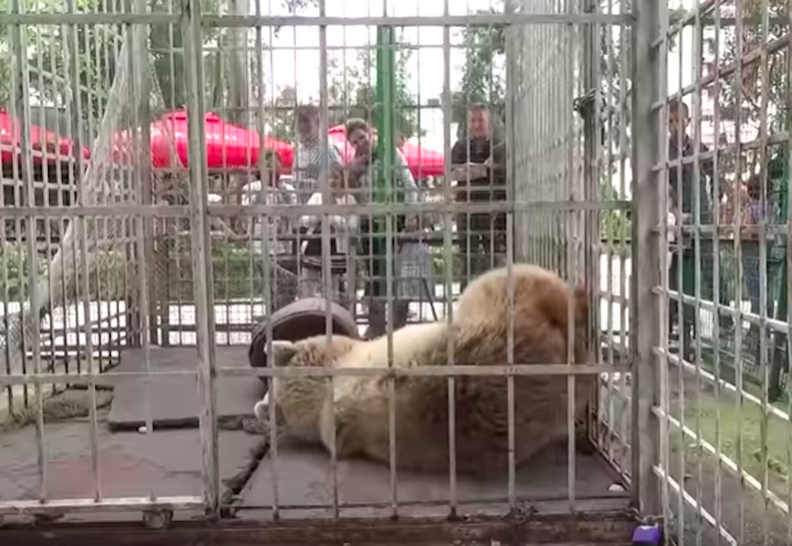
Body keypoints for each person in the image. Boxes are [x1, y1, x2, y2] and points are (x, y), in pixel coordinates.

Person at [345, 118, 431, 338]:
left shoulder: (389, 153)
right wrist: (352, 175)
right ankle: (376, 327)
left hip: (395, 222)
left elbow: (409, 183)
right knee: (375, 277)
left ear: (370, 134)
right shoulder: (357, 162)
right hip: (370, 226)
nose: (360, 145)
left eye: (362, 138)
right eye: (355, 142)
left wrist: (412, 217)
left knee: (399, 276)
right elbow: (354, 197)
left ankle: (398, 329)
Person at [666, 98, 728, 358]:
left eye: (679, 120)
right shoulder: (664, 153)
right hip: (679, 225)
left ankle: (726, 323)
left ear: (688, 121)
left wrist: (715, 208)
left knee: (713, 272)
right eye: (670, 121)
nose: (674, 126)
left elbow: (717, 180)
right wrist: (676, 213)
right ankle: (678, 332)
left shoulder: (698, 149)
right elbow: (663, 189)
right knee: (679, 279)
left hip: (701, 220)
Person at [450, 104, 507, 290]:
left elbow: (506, 173)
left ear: (488, 121)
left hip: (494, 209)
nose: (476, 125)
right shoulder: (461, 146)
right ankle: (467, 297)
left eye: (480, 120)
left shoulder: (500, 145)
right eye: (473, 121)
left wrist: (471, 170)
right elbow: (453, 174)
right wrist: (483, 169)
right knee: (468, 256)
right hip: (467, 208)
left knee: (495, 254)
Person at [240, 149, 299, 310]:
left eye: (274, 163)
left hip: (283, 247)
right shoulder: (251, 188)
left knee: (285, 288)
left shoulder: (288, 189)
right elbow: (248, 212)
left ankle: (281, 316)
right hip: (261, 247)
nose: (271, 167)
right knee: (272, 285)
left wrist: (281, 191)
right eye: (266, 163)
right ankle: (273, 316)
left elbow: (293, 215)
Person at [298, 163, 359, 303]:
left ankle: (331, 317)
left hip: (336, 249)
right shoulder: (317, 197)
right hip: (313, 247)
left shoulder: (349, 200)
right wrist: (322, 210)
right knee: (308, 284)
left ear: (342, 179)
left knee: (332, 288)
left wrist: (330, 214)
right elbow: (305, 220)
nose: (332, 181)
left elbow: (352, 226)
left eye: (336, 177)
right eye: (329, 178)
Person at [292, 104, 344, 204]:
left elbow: (336, 183)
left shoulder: (328, 149)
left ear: (318, 123)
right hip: (301, 210)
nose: (302, 126)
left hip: (322, 210)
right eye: (299, 122)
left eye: (306, 121)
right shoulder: (300, 151)